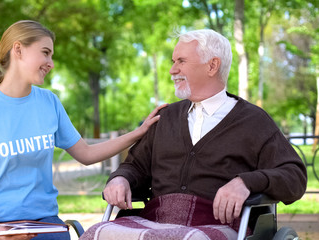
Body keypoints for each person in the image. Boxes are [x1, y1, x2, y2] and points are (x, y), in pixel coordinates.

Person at [0, 20, 166, 240]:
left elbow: (87, 154)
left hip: (43, 224)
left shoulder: (49, 102)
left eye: (51, 55)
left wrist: (139, 132)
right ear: (18, 49)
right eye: (45, 53)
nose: (50, 63)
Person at [81, 29, 307, 240]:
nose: (172, 70)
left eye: (181, 61)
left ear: (212, 66)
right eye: (173, 62)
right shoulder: (165, 118)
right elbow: (135, 166)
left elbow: (294, 176)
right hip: (155, 218)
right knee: (96, 232)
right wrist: (120, 178)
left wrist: (245, 182)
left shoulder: (253, 121)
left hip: (218, 223)